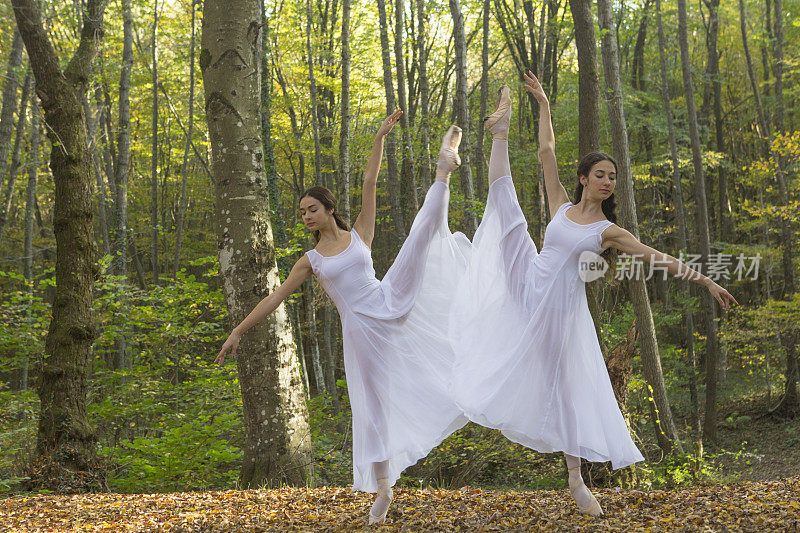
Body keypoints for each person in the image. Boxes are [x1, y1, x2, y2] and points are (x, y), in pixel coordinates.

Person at [451, 73, 738, 516]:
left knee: (565, 387)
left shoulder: (609, 231)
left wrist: (706, 279)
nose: (607, 182)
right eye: (600, 175)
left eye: (612, 178)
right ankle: (501, 131)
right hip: (529, 282)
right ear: (584, 178)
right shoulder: (562, 207)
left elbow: (655, 256)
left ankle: (575, 478)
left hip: (561, 311)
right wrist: (544, 104)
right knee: (506, 210)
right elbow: (547, 153)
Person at [216, 111, 469, 524]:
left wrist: (379, 138)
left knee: (421, 238)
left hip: (387, 300)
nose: (307, 216)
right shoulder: (311, 260)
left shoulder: (359, 237)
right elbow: (275, 297)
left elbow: (369, 183)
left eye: (312, 208)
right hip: (361, 333)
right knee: (373, 407)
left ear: (329, 209)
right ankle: (384, 491)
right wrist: (238, 331)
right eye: (302, 213)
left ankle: (443, 169)